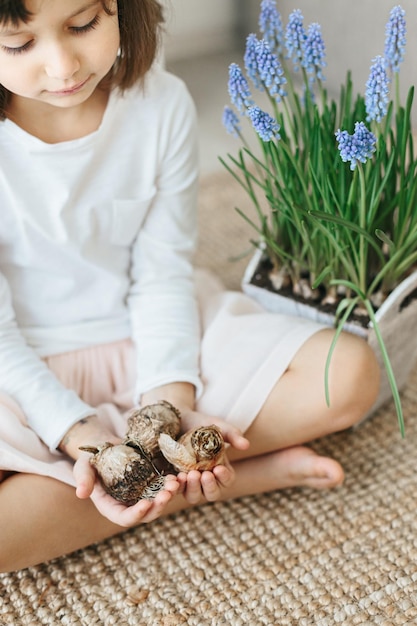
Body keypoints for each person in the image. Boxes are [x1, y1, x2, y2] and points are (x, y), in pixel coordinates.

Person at [0, 0, 380, 574]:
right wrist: (81, 437)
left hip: (152, 334)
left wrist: (173, 407)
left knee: (350, 373)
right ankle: (225, 482)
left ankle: (152, 481)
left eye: (83, 25)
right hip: (19, 370)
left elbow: (160, 276)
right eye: (18, 45)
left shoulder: (159, 105)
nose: (62, 65)